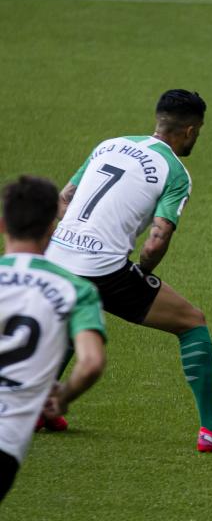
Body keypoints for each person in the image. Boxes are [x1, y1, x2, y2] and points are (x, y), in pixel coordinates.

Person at [45, 89, 212, 452]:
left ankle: (38, 409)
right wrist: (140, 272)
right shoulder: (175, 171)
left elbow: (63, 199)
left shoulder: (109, 145)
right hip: (103, 269)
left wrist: (79, 239)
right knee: (192, 322)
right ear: (191, 131)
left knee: (78, 312)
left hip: (57, 254)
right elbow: (156, 240)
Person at [0, 176, 106, 503]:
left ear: (3, 224)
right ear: (52, 226)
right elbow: (90, 363)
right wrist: (63, 398)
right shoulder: (77, 289)